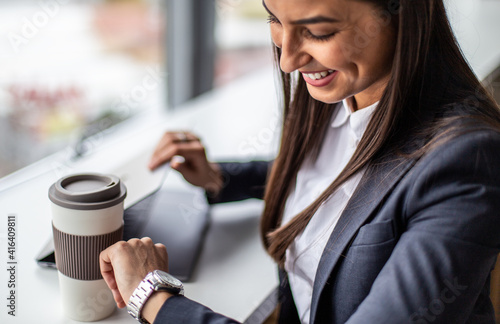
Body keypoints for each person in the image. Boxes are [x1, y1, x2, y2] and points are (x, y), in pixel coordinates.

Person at [99, 0, 500, 323]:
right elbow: (336, 186)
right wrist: (220, 178)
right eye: (274, 18)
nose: (287, 61)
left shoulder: (467, 162)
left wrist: (152, 297)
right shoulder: (339, 90)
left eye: (319, 32)